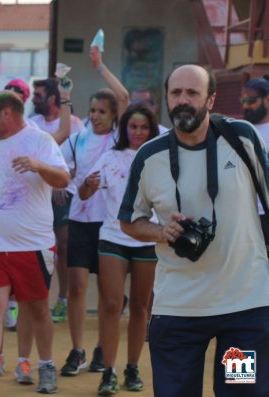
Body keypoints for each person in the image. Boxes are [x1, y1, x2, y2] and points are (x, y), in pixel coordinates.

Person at [119, 64, 269, 397]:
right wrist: (161, 232)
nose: (183, 100)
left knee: (241, 394)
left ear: (211, 100)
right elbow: (129, 220)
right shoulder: (150, 156)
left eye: (192, 93)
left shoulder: (242, 137)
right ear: (167, 99)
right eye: (175, 93)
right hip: (178, 311)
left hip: (243, 309)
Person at [0, 91, 71, 397]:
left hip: (33, 246)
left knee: (37, 310)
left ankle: (46, 365)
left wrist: (38, 165)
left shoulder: (40, 141)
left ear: (6, 113)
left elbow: (63, 179)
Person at [79, 104, 159, 395]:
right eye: (133, 127)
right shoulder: (110, 156)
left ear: (152, 129)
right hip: (113, 237)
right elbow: (85, 193)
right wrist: (87, 185)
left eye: (144, 127)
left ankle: (132, 367)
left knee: (140, 307)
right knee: (111, 305)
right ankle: (109, 371)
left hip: (148, 240)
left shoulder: (159, 157)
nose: (138, 132)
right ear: (125, 128)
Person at [61, 45, 129, 377]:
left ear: (114, 115)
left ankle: (104, 346)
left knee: (107, 292)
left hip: (108, 224)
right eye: (93, 110)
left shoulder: (119, 138)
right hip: (79, 221)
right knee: (75, 287)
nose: (97, 115)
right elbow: (60, 168)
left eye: (103, 110)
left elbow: (125, 97)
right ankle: (77, 350)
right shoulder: (77, 140)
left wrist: (100, 66)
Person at [30, 77, 86, 324]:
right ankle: (29, 299)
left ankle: (62, 299)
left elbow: (82, 159)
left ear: (53, 98)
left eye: (39, 94)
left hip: (66, 192)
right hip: (38, 193)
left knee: (62, 248)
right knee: (35, 248)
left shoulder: (75, 124)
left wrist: (62, 180)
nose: (34, 98)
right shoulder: (32, 123)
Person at [241, 77, 269, 250]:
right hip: (244, 213)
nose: (246, 106)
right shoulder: (240, 130)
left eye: (251, 100)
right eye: (243, 100)